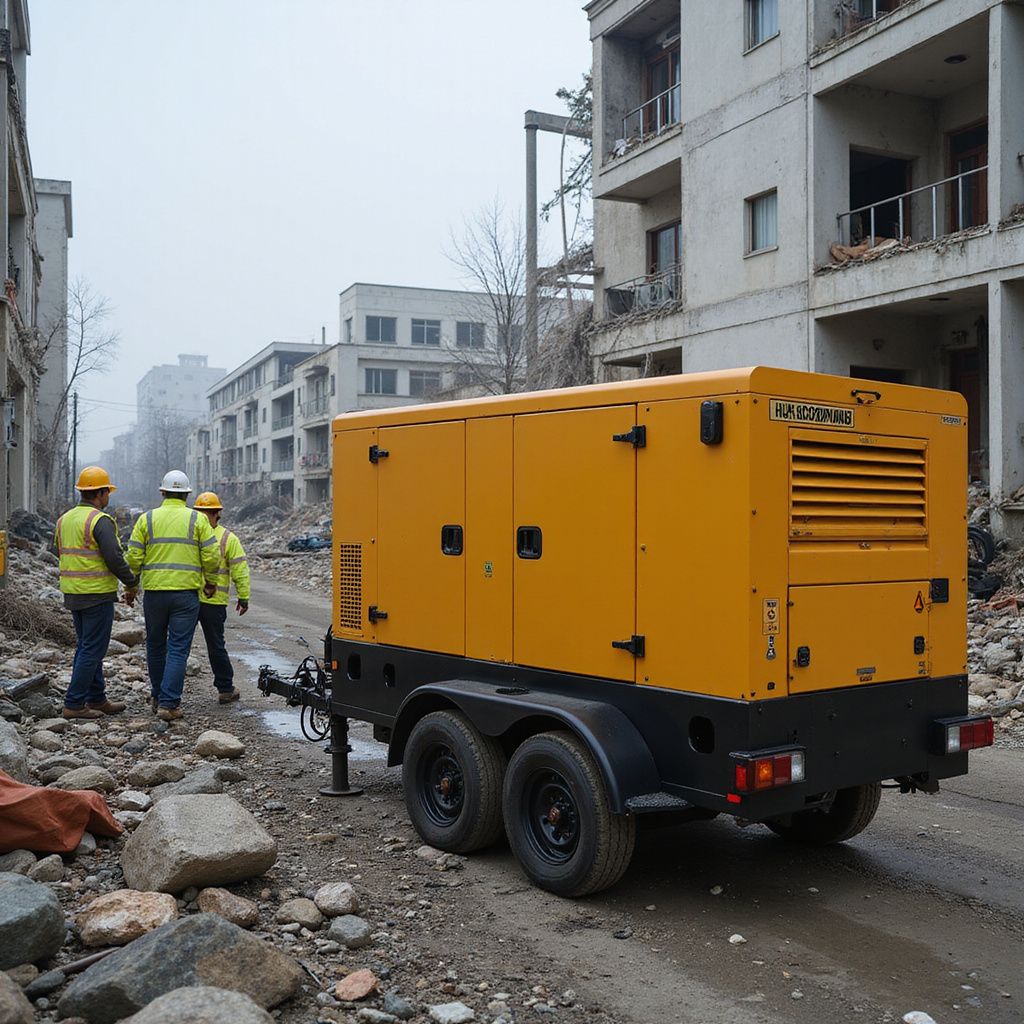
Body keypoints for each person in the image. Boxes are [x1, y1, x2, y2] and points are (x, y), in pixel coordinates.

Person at [125, 470, 221, 721]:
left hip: (155, 594)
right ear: (187, 494)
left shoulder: (146, 519)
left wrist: (131, 586)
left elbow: (133, 556)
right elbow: (212, 556)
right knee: (178, 649)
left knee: (156, 646)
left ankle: (158, 697)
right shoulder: (197, 520)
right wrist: (210, 581)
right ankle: (169, 703)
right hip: (185, 595)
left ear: (162, 492)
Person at [55, 467, 139, 720]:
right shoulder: (99, 520)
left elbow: (59, 551)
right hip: (96, 593)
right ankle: (74, 703)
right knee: (92, 649)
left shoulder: (65, 519)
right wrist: (131, 581)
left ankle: (97, 698)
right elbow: (114, 557)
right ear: (100, 493)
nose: (108, 497)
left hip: (73, 593)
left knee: (87, 646)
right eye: (107, 492)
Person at [192, 491, 250, 705]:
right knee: (216, 645)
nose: (204, 517)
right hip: (212, 603)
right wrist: (243, 597)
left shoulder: (191, 535)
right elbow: (240, 571)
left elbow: (239, 570)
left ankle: (167, 694)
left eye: (206, 513)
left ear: (217, 514)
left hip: (190, 599)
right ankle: (225, 688)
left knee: (180, 647)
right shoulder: (228, 538)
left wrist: (244, 596)